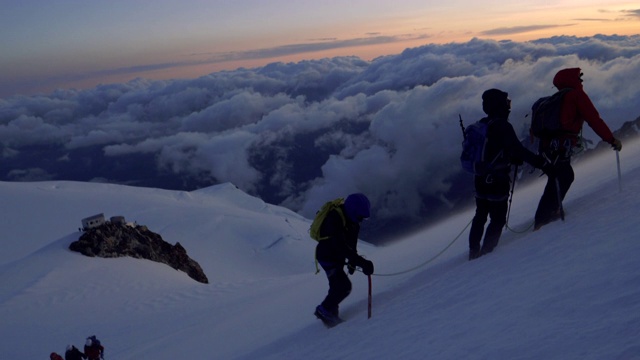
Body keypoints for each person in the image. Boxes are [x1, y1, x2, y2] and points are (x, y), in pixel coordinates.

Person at [468, 89, 554, 260]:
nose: (508, 106)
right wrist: (541, 163)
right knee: (498, 219)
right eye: (506, 102)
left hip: (480, 178)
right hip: (497, 180)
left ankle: (473, 252)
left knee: (480, 215)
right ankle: (486, 254)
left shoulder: (483, 124)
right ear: (499, 105)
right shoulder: (502, 126)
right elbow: (517, 150)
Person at [533, 68, 622, 230]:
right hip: (561, 147)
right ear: (572, 80)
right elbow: (594, 120)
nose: (581, 81)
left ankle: (545, 214)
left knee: (558, 177)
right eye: (579, 78)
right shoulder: (577, 96)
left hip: (548, 148)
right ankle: (544, 218)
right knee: (564, 176)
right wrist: (611, 139)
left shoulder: (555, 99)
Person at [314, 193, 374, 327]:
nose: (361, 220)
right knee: (343, 287)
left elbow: (351, 245)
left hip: (336, 256)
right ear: (353, 211)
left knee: (337, 284)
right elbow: (340, 246)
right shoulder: (334, 219)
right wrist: (361, 263)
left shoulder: (353, 222)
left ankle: (330, 311)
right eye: (360, 217)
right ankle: (324, 310)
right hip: (327, 257)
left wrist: (354, 262)